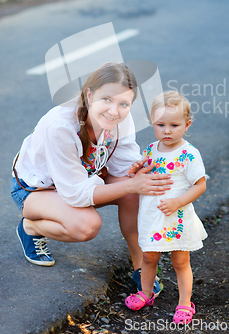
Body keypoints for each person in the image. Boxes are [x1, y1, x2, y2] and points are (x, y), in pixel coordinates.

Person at [11, 62, 172, 295]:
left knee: (136, 191)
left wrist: (148, 172)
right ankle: (31, 226)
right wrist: (131, 182)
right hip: (36, 191)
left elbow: (124, 166)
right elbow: (76, 194)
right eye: (107, 99)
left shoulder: (119, 119)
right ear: (89, 95)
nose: (114, 110)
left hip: (80, 180)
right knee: (87, 226)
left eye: (123, 104)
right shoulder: (62, 126)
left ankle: (142, 268)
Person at [124, 91, 207, 324]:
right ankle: (146, 293)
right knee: (149, 258)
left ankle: (184, 303)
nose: (167, 131)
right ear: (153, 124)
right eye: (161, 125)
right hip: (152, 216)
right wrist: (136, 170)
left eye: (174, 125)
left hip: (176, 216)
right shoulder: (151, 149)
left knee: (180, 261)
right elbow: (145, 172)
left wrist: (178, 202)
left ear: (186, 125)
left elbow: (200, 185)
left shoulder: (188, 154)